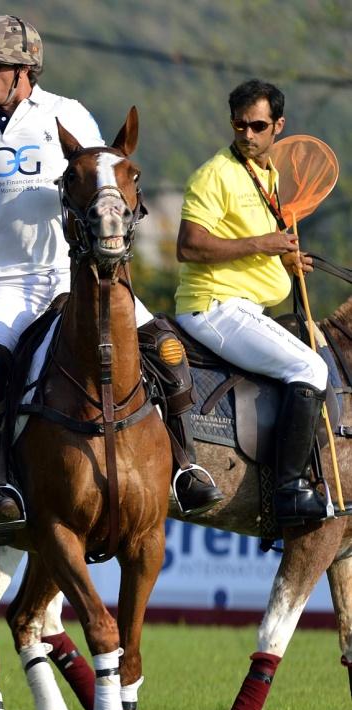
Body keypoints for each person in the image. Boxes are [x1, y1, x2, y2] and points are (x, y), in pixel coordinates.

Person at [0, 14, 221, 541]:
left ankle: (185, 467)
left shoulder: (67, 114)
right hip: (7, 284)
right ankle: (0, 489)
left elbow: (108, 176)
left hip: (73, 276)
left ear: (25, 69)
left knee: (168, 350)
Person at [174, 80, 326, 525]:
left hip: (245, 306)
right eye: (239, 124)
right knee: (311, 369)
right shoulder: (214, 174)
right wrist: (264, 242)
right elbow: (190, 246)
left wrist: (287, 259)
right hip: (214, 305)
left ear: (278, 126)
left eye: (258, 125)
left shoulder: (270, 176)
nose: (247, 134)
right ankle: (288, 491)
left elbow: (259, 247)